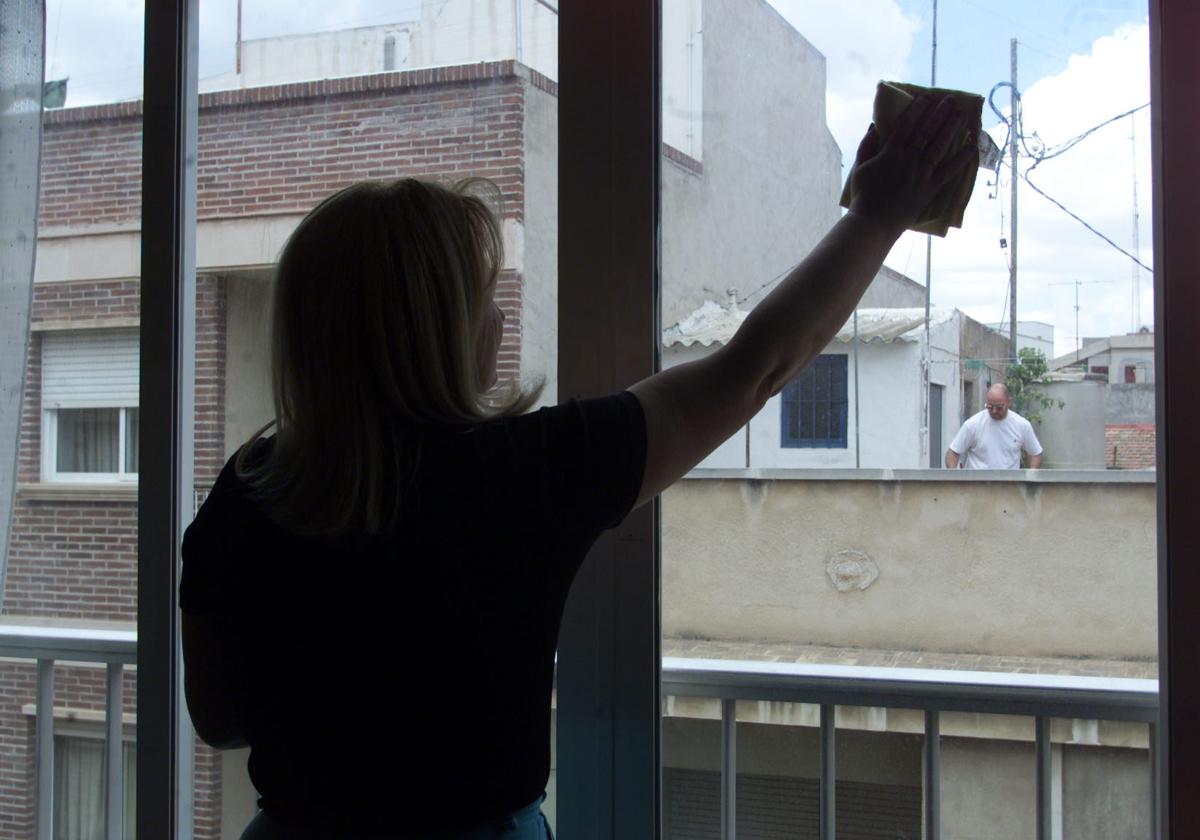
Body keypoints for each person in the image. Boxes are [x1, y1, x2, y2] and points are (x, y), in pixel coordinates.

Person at [180, 94, 975, 839]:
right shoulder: (526, 471)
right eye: (484, 297)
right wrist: (878, 218)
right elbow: (755, 367)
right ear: (438, 328)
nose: (497, 319)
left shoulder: (250, 487)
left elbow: (217, 716)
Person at [945, 383, 1044, 469]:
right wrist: (954, 481)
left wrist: (1031, 477)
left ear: (1009, 402)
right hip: (976, 487)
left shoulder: (1022, 425)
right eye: (990, 407)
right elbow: (952, 453)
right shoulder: (972, 425)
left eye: (999, 407)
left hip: (1008, 486)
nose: (994, 411)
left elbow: (1036, 454)